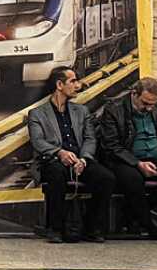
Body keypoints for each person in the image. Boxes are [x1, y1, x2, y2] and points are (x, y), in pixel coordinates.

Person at [27, 66, 115, 243]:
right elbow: (38, 142)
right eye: (73, 81)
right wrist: (59, 152)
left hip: (80, 160)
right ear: (60, 84)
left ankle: (91, 227)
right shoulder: (37, 114)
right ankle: (55, 228)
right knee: (56, 174)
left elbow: (90, 138)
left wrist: (84, 158)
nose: (78, 85)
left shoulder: (81, 111)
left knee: (106, 178)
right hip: (52, 160)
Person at [99, 77, 157, 241]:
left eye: (152, 104)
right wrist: (138, 164)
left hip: (154, 158)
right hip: (125, 158)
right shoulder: (114, 108)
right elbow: (112, 145)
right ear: (134, 94)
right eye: (145, 103)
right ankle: (149, 224)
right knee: (133, 179)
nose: (149, 108)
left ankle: (134, 210)